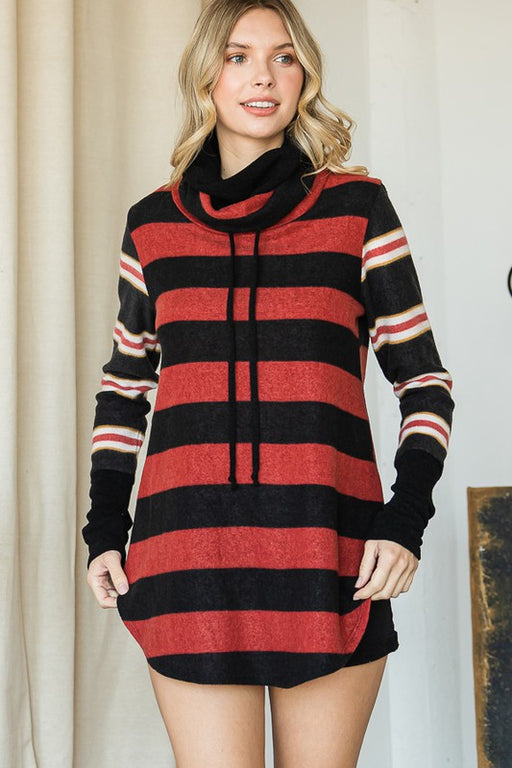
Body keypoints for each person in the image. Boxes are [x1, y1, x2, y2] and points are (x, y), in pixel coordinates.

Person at [82, 1, 455, 765]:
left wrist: (404, 518)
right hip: (188, 554)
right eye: (238, 56)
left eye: (284, 57)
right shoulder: (152, 226)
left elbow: (423, 381)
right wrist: (104, 530)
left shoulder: (357, 209)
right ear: (205, 77)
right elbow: (124, 388)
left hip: (328, 550)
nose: (263, 76)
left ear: (304, 77)